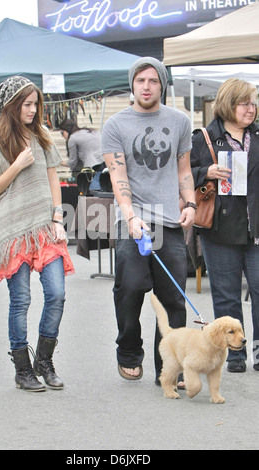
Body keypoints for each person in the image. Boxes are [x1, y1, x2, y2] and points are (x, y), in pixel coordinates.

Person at [0, 76, 75, 392]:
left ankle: (44, 361)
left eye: (35, 104)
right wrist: (16, 165)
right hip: (12, 230)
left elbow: (53, 177)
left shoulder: (41, 136)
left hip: (46, 228)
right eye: (27, 104)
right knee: (21, 300)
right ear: (12, 106)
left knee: (56, 293)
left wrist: (59, 217)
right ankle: (22, 370)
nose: (33, 110)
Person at [102, 57, 196, 384]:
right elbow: (118, 176)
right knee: (130, 287)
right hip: (134, 220)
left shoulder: (180, 121)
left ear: (162, 85)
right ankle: (128, 349)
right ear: (132, 84)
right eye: (140, 80)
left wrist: (191, 204)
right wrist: (130, 216)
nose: (146, 86)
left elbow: (183, 170)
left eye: (153, 81)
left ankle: (169, 368)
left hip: (170, 220)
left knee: (173, 299)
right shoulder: (116, 125)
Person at [190, 78, 259, 373]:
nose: (251, 109)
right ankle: (234, 354)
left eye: (254, 103)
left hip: (255, 228)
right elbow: (182, 174)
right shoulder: (204, 137)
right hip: (219, 229)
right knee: (226, 293)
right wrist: (206, 170)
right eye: (245, 103)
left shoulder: (257, 136)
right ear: (229, 105)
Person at [59, 118, 105, 190]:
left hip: (93, 165)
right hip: (105, 161)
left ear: (66, 131)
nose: (62, 136)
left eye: (62, 133)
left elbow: (72, 162)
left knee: (93, 190)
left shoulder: (73, 138)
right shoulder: (91, 131)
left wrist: (59, 162)